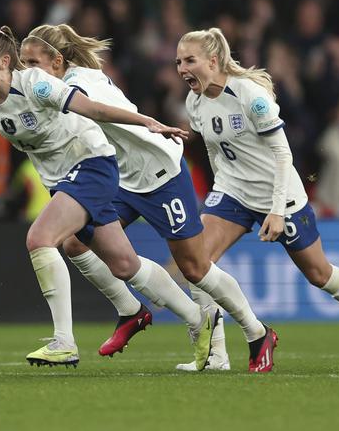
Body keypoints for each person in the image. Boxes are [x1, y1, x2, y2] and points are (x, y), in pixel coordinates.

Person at [0, 26, 217, 370]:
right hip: (67, 180)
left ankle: (64, 342)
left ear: (3, 61)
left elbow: (92, 110)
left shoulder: (35, 84)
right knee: (125, 264)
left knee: (40, 238)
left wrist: (147, 122)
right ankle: (196, 319)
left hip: (92, 166)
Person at [20, 24, 271, 371]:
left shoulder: (81, 86)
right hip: (121, 178)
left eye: (32, 62)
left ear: (58, 61)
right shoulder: (61, 82)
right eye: (22, 63)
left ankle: (255, 332)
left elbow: (98, 112)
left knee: (195, 267)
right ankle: (130, 310)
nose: (25, 71)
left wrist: (149, 122)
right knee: (75, 243)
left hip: (159, 173)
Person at [176, 27, 339, 371]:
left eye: (189, 60)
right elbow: (216, 153)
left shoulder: (250, 95)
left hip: (279, 194)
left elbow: (284, 156)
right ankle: (216, 356)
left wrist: (277, 211)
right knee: (196, 264)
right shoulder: (194, 102)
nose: (181, 68)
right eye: (178, 61)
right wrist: (220, 189)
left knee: (319, 274)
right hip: (233, 191)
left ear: (213, 60)